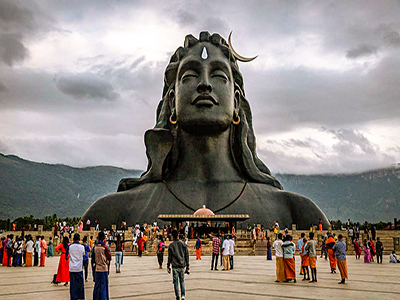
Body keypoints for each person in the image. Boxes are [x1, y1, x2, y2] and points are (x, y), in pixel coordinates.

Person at [81, 31, 330, 230]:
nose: (204, 84)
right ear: (171, 102)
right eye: (189, 75)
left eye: (219, 76)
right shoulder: (112, 212)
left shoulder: (295, 211)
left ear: (236, 103)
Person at [167, 230, 189, 300]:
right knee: (182, 281)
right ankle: (183, 295)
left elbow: (169, 257)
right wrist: (187, 265)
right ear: (178, 235)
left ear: (172, 237)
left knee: (175, 282)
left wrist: (168, 265)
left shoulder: (171, 246)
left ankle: (177, 296)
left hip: (174, 266)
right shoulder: (183, 244)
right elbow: (186, 255)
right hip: (182, 266)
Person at [92, 231, 111, 300]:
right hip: (104, 269)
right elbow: (109, 257)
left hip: (97, 269)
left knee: (97, 286)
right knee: (104, 286)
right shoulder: (105, 247)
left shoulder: (95, 247)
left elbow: (92, 258)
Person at [66, 233, 85, 300]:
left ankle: (73, 297)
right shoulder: (82, 247)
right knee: (80, 284)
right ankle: (80, 297)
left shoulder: (69, 246)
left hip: (72, 268)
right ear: (79, 239)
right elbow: (84, 255)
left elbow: (66, 256)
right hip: (79, 268)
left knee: (73, 285)